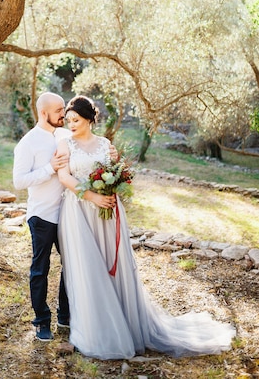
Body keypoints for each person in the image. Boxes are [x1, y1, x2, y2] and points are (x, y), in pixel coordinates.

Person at [56, 94, 236, 360]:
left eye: (76, 120)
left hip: (108, 210)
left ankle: (125, 320)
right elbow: (63, 176)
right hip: (78, 211)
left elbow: (114, 172)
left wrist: (111, 189)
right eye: (68, 120)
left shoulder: (106, 145)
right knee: (88, 266)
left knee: (110, 261)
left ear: (90, 119)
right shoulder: (65, 144)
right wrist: (92, 196)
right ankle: (97, 329)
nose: (71, 124)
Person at [13, 92, 71, 342]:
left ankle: (65, 315)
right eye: (59, 110)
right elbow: (19, 181)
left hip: (68, 216)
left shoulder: (65, 136)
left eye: (64, 109)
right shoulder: (27, 143)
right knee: (41, 269)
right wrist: (50, 168)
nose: (64, 114)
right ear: (44, 113)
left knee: (71, 266)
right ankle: (42, 321)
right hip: (42, 216)